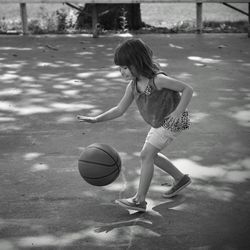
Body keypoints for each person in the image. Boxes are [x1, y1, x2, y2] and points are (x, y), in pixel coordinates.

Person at [77, 38, 193, 212]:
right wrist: (96, 119)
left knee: (146, 155)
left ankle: (139, 200)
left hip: (171, 121)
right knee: (151, 156)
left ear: (138, 62)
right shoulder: (133, 86)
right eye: (120, 68)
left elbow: (187, 89)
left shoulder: (158, 80)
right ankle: (180, 178)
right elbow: (119, 109)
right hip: (159, 122)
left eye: (125, 67)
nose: (121, 72)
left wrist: (178, 112)